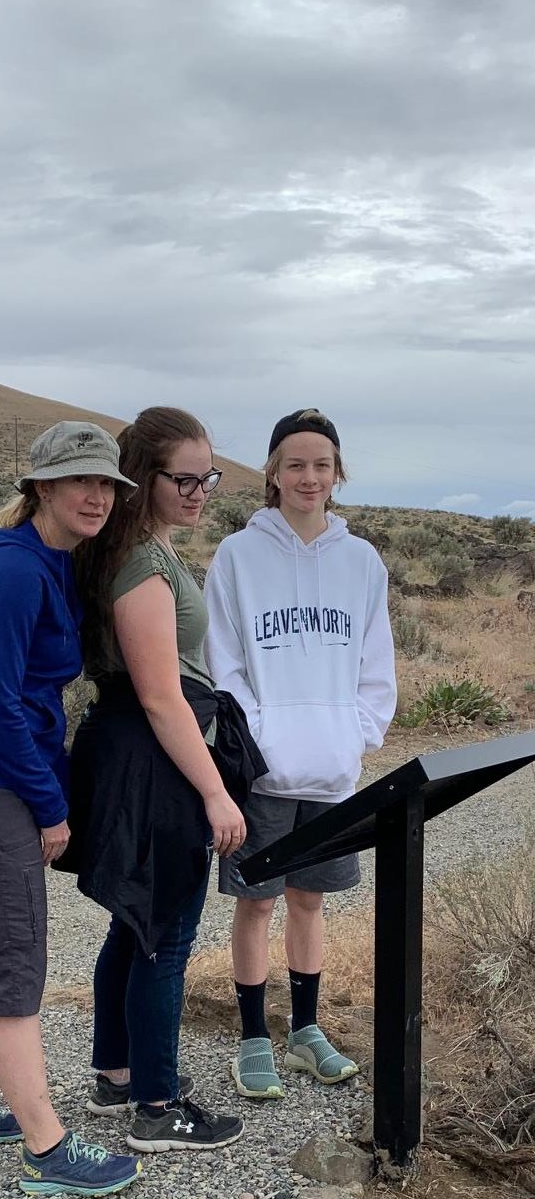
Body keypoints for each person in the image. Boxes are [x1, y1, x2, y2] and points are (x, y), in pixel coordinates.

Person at [0, 421, 143, 1197]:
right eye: (80, 481)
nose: (96, 496)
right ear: (41, 487)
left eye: (107, 483)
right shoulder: (13, 572)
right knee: (14, 961)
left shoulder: (39, 562)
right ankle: (47, 1147)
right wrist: (51, 807)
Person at [68, 407, 265, 1153]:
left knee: (137, 920)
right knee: (168, 932)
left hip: (137, 749)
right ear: (142, 477)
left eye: (208, 477)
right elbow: (159, 694)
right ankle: (158, 1104)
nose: (199, 491)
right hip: (157, 755)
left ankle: (117, 1076)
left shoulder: (135, 547)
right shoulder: (143, 565)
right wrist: (215, 792)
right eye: (183, 478)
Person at [204, 408, 396, 1098]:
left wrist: (356, 732)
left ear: (336, 473)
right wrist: (260, 739)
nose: (308, 477)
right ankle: (254, 1035)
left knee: (310, 901)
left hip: (333, 771)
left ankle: (305, 1032)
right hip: (262, 775)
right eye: (295, 464)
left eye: (321, 464)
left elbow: (376, 663)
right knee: (256, 904)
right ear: (273, 474)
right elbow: (223, 663)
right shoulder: (237, 556)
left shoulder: (361, 560)